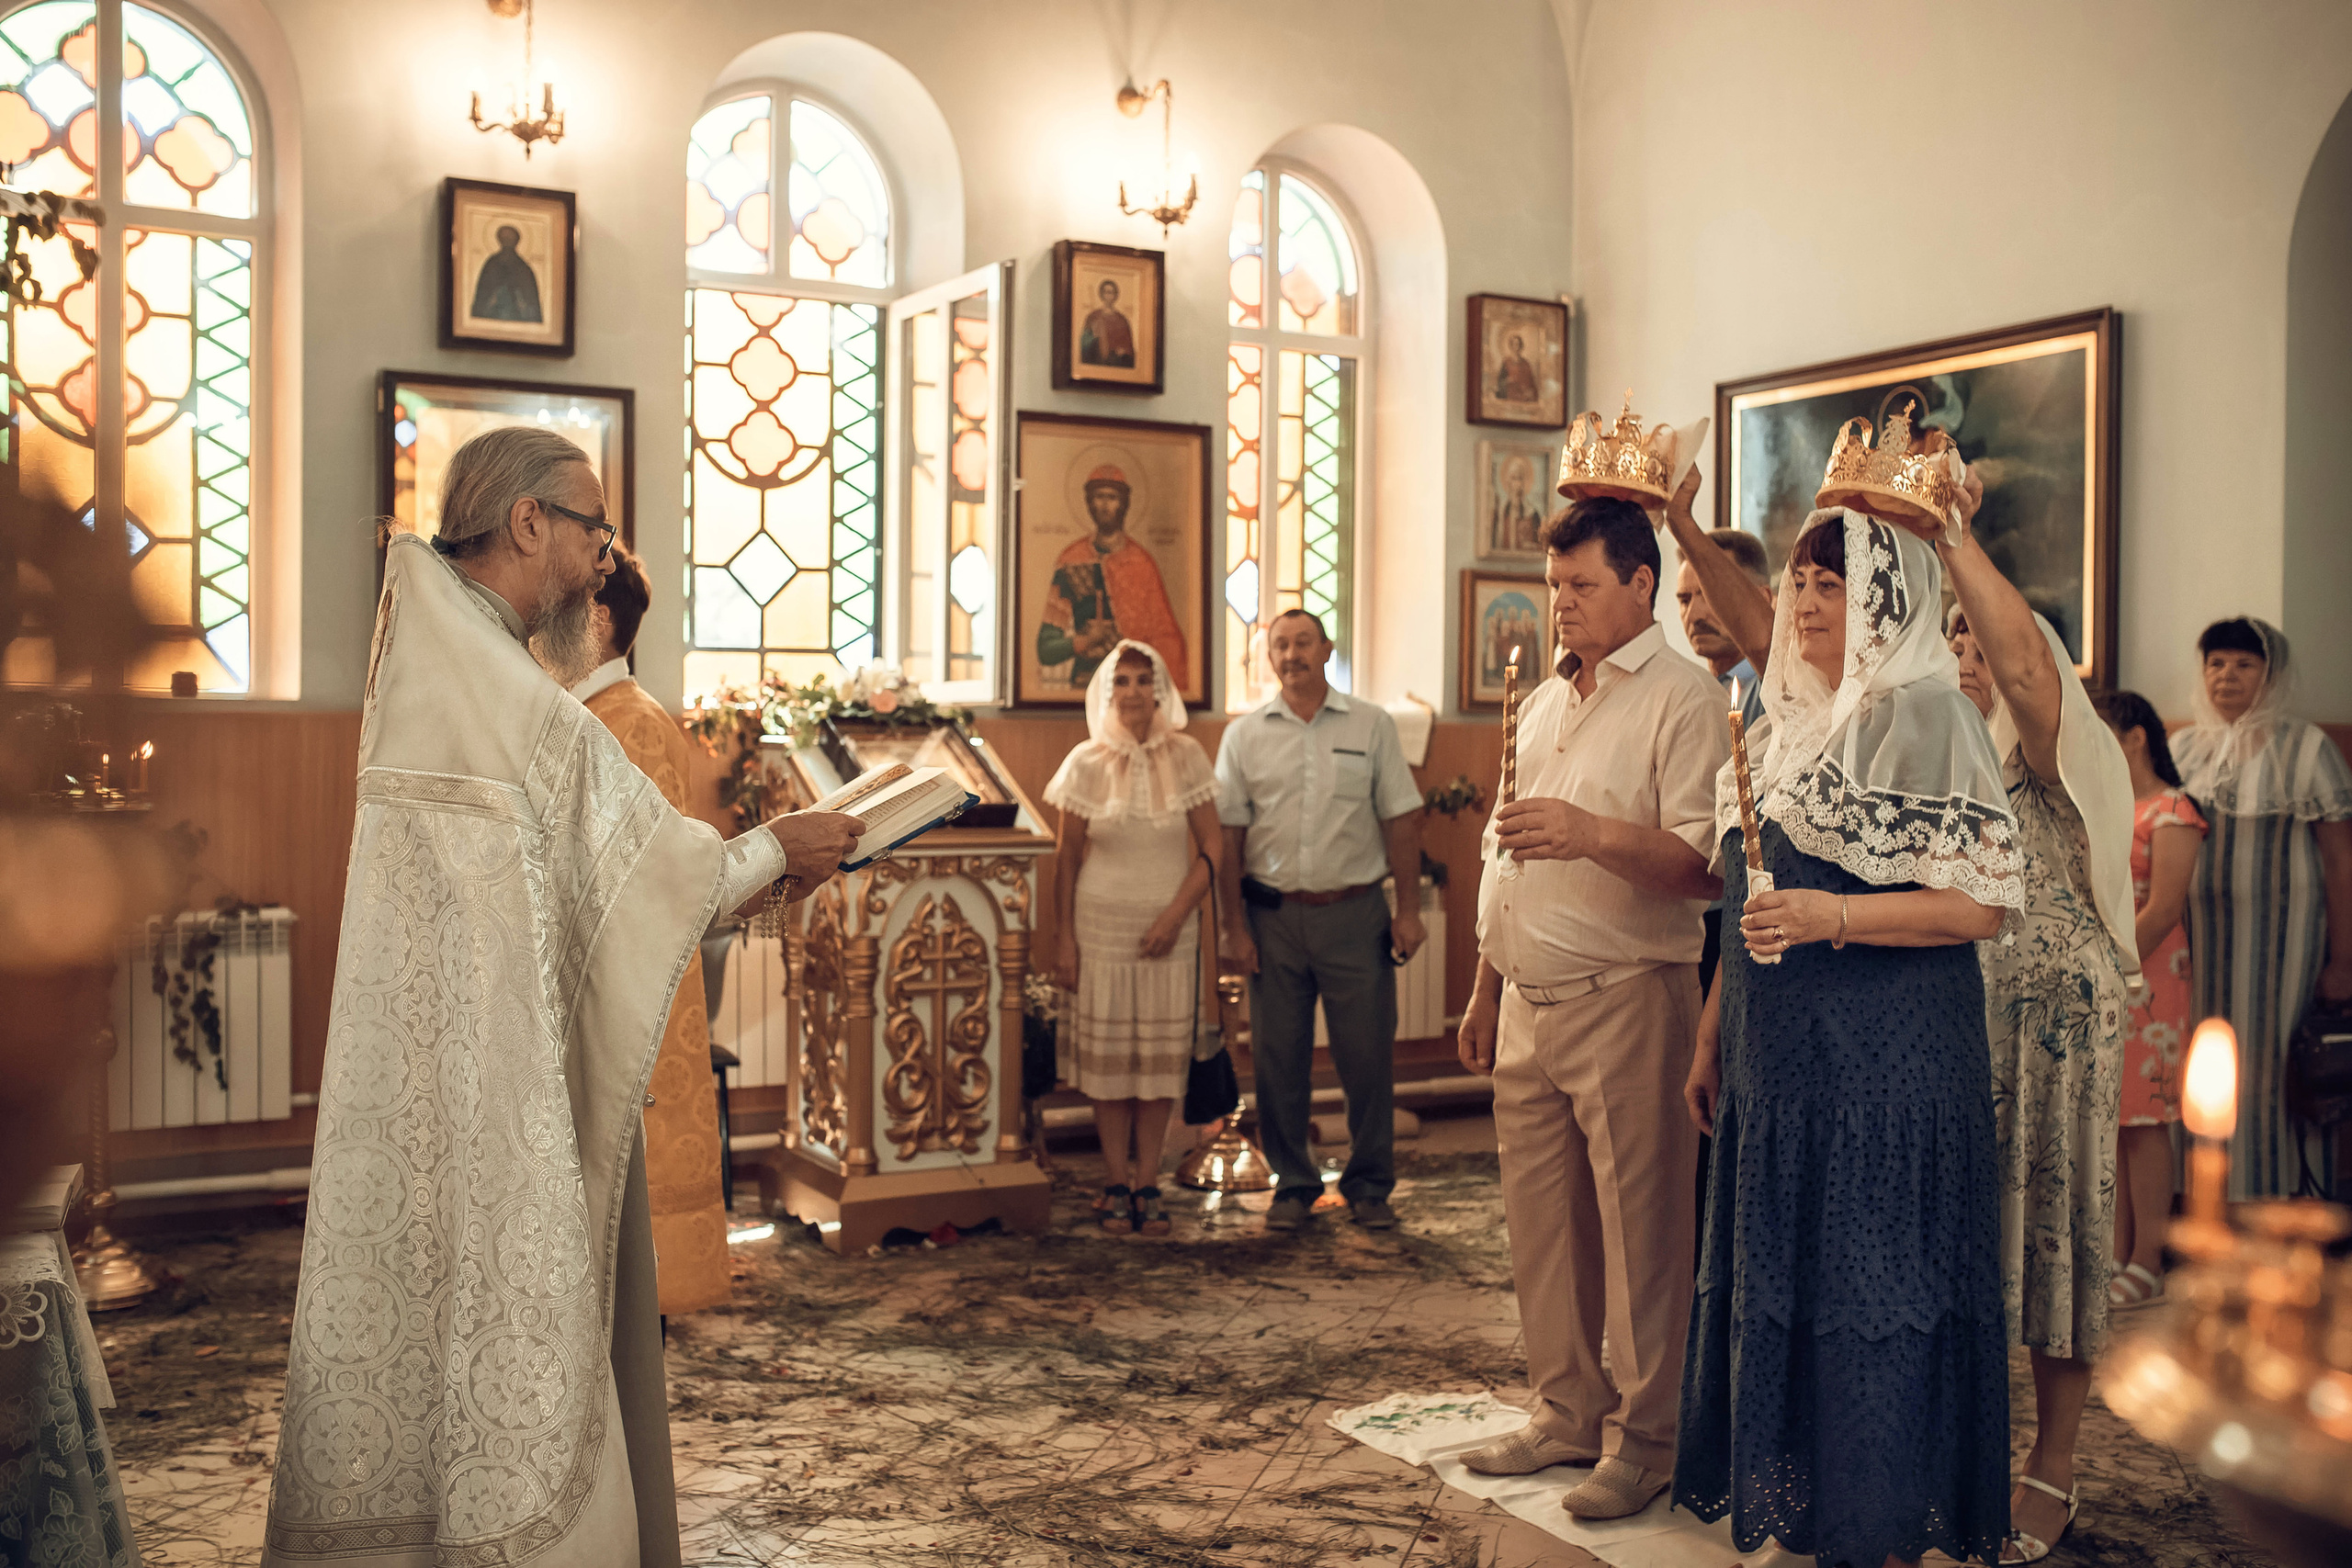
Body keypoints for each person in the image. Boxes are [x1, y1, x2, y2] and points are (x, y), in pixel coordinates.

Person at [262, 428, 864, 1568]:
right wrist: (779, 848)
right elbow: (650, 867)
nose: (602, 560)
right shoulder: (500, 685)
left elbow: (589, 877)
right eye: (593, 530)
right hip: (497, 1094)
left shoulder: (443, 657)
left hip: (447, 1075)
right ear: (530, 521)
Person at [1679, 508, 2020, 1568]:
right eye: (1798, 582)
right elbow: (1747, 902)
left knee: (1878, 1297)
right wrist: (1711, 1037)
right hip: (1784, 1071)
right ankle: (1809, 1507)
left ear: (1886, 598)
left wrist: (1837, 918)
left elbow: (1978, 908)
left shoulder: (1928, 717)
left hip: (1891, 1073)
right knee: (1797, 1287)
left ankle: (1873, 1527)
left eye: (1834, 582)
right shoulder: (1779, 719)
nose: (1807, 601)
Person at [1453, 498, 1727, 1521]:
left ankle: (1648, 1439)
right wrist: (1484, 985)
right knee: (1543, 1228)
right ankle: (1566, 1407)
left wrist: (1590, 831)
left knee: (1642, 1231)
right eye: (1552, 586)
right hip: (1526, 996)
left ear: (1640, 584)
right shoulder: (1539, 702)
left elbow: (1705, 867)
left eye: (1580, 586)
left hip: (1627, 996)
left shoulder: (1683, 700)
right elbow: (1499, 846)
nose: (1558, 605)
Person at [1942, 496, 2139, 1565]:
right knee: (1979, 1243)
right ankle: (1966, 1447)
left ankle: (2052, 1461)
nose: (1966, 655)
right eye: (1952, 638)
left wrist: (1946, 540)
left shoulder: (2065, 742)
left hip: (2057, 1023)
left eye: (1980, 636)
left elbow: (2022, 672)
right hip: (1965, 1020)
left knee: (2055, 1243)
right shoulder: (1954, 756)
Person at [1216, 608, 1425, 1233]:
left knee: (1366, 1056)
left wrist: (1408, 910)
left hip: (1354, 915)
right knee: (1279, 1058)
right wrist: (1232, 926)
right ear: (1268, 656)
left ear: (1327, 648)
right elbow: (1227, 836)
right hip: (1272, 917)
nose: (1291, 653)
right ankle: (1294, 1183)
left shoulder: (1372, 724)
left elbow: (1401, 818)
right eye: (1280, 644)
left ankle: (1369, 1184)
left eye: (1303, 641)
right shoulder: (1244, 736)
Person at [570, 543, 732, 1318]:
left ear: (598, 619)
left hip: (634, 990)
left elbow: (646, 881)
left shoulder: (628, 724)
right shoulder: (593, 715)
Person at [1046, 640, 1223, 1236]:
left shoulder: (1190, 755)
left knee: (1158, 1064)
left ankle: (1150, 1180)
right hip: (1102, 928)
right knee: (1112, 1066)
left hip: (1170, 931)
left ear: (1161, 690)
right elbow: (1066, 858)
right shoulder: (1083, 762)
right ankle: (1115, 1180)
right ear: (1107, 692)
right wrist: (1064, 939)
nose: (1132, 691)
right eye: (1120, 681)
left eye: (1144, 680)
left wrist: (1176, 915)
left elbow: (1213, 849)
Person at [2173, 616, 2352, 1198]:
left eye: (2245, 665)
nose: (2227, 676)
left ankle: (2282, 1205)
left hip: (2285, 951)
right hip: (2196, 948)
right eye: (2216, 663)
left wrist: (2343, 962)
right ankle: (2198, 1204)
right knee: (2198, 1064)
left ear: (2270, 676)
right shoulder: (2181, 749)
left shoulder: (2305, 748)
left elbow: (2340, 860)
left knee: (2275, 1069)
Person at [2092, 688, 2207, 1313]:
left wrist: (2106, 957)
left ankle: (2150, 1259)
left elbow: (2163, 907)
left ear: (2135, 736)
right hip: (2107, 976)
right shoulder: (2106, 808)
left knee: (2146, 1118)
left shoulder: (2172, 811)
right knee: (2110, 1119)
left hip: (2149, 976)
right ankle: (2116, 1250)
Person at [1037, 464, 1188, 688]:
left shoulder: (1142, 563)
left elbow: (1164, 635)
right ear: (1089, 502)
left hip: (1132, 684)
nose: (1105, 506)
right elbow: (1046, 648)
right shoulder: (1071, 560)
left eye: (1112, 497)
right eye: (1099, 497)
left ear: (1124, 503)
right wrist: (1084, 641)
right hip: (1086, 683)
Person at [471, 222, 542, 322]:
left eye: (510, 240)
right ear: (499, 241)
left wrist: (521, 302)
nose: (507, 242)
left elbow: (530, 301)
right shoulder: (492, 264)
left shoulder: (523, 268)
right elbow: (482, 295)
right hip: (493, 315)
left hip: (517, 316)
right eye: (505, 240)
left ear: (516, 242)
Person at [1080, 276, 1136, 367]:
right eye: (1106, 292)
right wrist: (1094, 337)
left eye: (1112, 293)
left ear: (1116, 295)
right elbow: (1084, 344)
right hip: (1096, 360)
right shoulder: (1093, 317)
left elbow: (1129, 347)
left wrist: (1123, 351)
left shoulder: (1122, 320)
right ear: (1102, 294)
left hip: (1116, 362)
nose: (1109, 296)